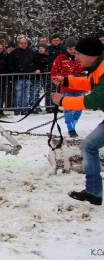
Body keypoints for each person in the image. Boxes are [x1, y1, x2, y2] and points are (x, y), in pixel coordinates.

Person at [51, 37, 104, 205]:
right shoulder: (98, 67)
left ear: (90, 55)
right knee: (88, 146)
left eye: (79, 54)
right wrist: (67, 80)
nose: (76, 58)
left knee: (89, 146)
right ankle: (94, 192)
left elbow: (95, 99)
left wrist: (63, 101)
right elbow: (90, 83)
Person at [51, 37, 84, 137]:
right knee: (68, 108)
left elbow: (88, 69)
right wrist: (58, 81)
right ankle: (71, 128)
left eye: (74, 48)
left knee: (79, 108)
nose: (72, 51)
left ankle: (73, 123)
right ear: (66, 48)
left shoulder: (81, 57)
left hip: (80, 87)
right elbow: (54, 72)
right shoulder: (60, 58)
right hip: (66, 88)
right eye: (70, 49)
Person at [7, 37, 36, 115]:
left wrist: (33, 69)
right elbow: (10, 64)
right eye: (22, 43)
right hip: (18, 77)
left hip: (28, 77)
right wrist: (14, 71)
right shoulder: (14, 52)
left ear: (27, 44)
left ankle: (24, 110)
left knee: (26, 94)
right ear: (19, 44)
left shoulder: (31, 52)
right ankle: (17, 110)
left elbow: (35, 62)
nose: (23, 45)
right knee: (18, 94)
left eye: (25, 43)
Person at [33, 45, 53, 112]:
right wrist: (37, 69)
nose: (41, 49)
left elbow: (49, 65)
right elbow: (34, 65)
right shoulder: (35, 56)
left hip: (46, 76)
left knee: (48, 92)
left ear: (45, 49)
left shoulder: (48, 57)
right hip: (37, 77)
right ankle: (36, 106)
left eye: (42, 48)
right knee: (36, 92)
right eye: (40, 48)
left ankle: (49, 106)